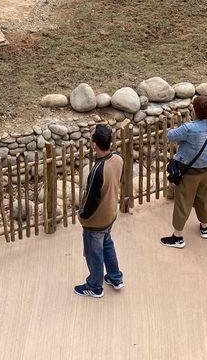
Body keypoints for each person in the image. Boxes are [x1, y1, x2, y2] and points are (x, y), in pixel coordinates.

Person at [161, 95, 207, 248]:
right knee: (203, 198)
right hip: (206, 170)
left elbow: (170, 135)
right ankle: (204, 227)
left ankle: (177, 237)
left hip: (189, 172)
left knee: (183, 203)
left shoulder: (189, 128)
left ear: (196, 111)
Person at [74, 124, 124, 298]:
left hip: (96, 222)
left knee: (94, 253)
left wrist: (82, 216)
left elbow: (91, 202)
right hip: (111, 213)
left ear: (94, 145)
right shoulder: (118, 159)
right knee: (107, 244)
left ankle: (95, 286)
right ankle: (115, 277)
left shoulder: (96, 170)